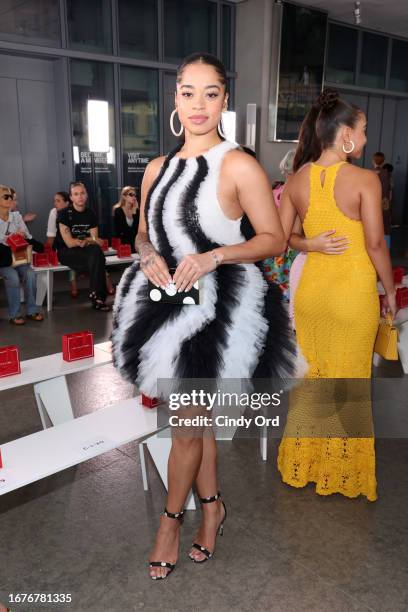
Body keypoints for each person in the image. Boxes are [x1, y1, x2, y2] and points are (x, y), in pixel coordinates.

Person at [112, 52, 295, 579]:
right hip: (164, 305)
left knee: (187, 427)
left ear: (225, 100)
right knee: (197, 422)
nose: (197, 104)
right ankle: (212, 509)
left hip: (222, 314)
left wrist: (214, 255)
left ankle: (170, 522)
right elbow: (144, 231)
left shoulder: (238, 164)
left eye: (210, 93)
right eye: (187, 92)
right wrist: (145, 252)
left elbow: (274, 239)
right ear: (174, 99)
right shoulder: (156, 169)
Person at [277, 88, 397, 501]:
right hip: (352, 295)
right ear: (345, 134)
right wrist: (392, 291)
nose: (364, 139)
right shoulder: (366, 179)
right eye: (362, 131)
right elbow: (377, 246)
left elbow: (278, 239)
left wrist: (310, 245)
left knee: (313, 378)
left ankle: (305, 465)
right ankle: (342, 471)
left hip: (311, 295)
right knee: (351, 381)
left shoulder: (296, 180)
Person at [54, 182, 110, 311]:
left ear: (87, 195)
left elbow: (95, 240)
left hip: (86, 251)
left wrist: (87, 241)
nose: (80, 196)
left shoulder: (91, 214)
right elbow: (69, 243)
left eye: (82, 193)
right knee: (98, 258)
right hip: (66, 252)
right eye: (76, 194)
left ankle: (97, 296)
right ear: (71, 197)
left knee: (96, 253)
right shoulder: (63, 214)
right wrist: (89, 240)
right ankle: (98, 297)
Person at [0, 185, 44, 325]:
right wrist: (13, 239)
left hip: (19, 258)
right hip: (3, 261)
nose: (10, 199)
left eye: (11, 197)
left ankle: (32, 310)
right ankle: (15, 314)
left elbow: (27, 237)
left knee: (30, 274)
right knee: (12, 277)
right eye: (5, 196)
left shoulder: (16, 216)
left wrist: (24, 237)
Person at [372, 152, 392, 248]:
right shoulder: (386, 173)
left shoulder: (371, 173)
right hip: (385, 202)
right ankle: (386, 247)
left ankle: (375, 245)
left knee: (374, 223)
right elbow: (389, 189)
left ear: (373, 160)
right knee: (385, 224)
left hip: (374, 202)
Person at [113, 186, 140, 251]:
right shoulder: (118, 211)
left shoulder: (136, 210)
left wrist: (134, 213)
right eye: (131, 195)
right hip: (123, 245)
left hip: (134, 244)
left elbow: (137, 230)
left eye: (135, 195)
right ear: (124, 197)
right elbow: (120, 231)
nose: (134, 197)